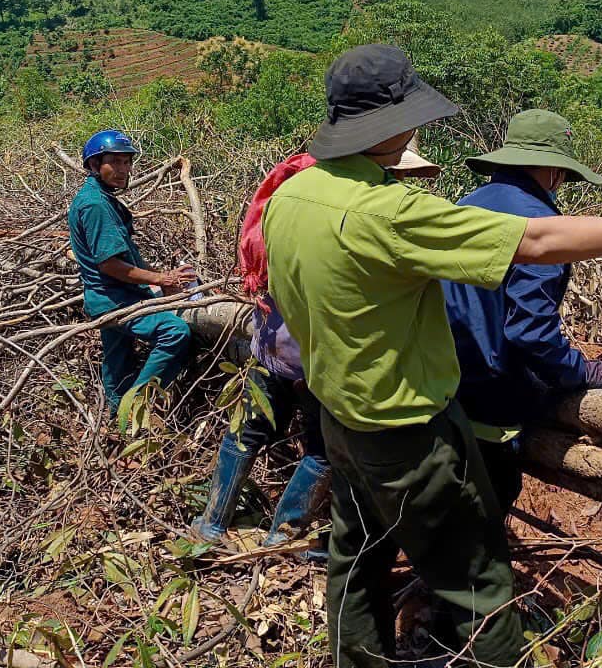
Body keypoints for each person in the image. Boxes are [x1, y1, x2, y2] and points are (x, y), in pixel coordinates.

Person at [262, 44, 602, 668]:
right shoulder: (385, 210)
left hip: (338, 420)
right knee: (479, 583)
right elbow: (535, 241)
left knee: (358, 561)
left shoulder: (296, 192)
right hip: (407, 434)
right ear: (396, 122)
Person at [193, 143, 445, 550]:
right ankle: (282, 535)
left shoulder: (293, 198)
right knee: (322, 449)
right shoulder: (367, 215)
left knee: (246, 432)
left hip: (272, 346)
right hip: (321, 361)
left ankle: (211, 523)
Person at [442, 109, 602, 516]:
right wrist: (582, 372)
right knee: (485, 506)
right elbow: (529, 332)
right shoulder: (542, 228)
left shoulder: (464, 205)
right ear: (553, 171)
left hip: (437, 378)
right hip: (487, 392)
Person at [67, 129, 197, 413]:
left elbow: (124, 255)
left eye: (127, 162)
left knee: (119, 360)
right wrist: (161, 279)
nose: (123, 170)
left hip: (109, 296)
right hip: (115, 299)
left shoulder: (99, 197)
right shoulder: (95, 205)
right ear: (94, 165)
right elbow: (109, 264)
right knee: (175, 332)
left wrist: (162, 273)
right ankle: (136, 407)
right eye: (115, 162)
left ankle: (115, 416)